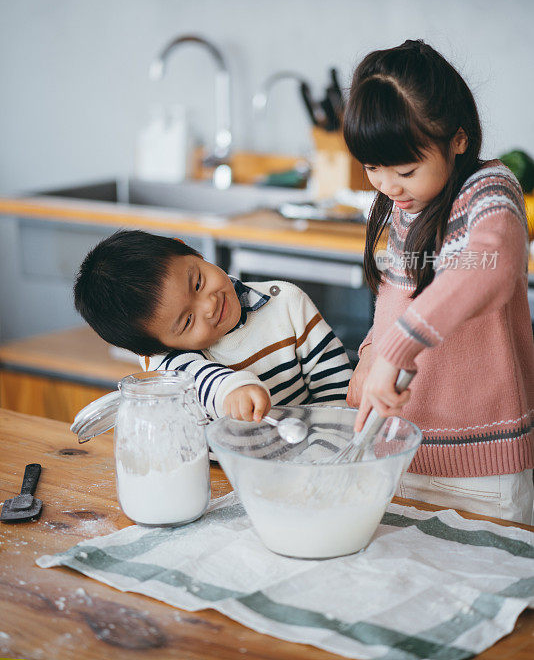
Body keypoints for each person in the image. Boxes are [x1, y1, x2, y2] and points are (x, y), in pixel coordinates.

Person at [343, 38, 534, 523]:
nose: (387, 186)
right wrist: (370, 358)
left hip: (479, 469)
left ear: (458, 141)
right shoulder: (407, 205)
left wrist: (396, 350)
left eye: (405, 169)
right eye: (372, 169)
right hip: (402, 451)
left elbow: (489, 266)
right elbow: (396, 300)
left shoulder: (490, 193)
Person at [74, 229, 352, 422]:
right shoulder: (167, 364)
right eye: (187, 321)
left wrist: (331, 444)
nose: (208, 306)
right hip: (224, 478)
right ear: (155, 347)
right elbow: (199, 380)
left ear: (186, 248)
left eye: (198, 283)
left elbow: (336, 389)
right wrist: (232, 389)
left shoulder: (287, 304)